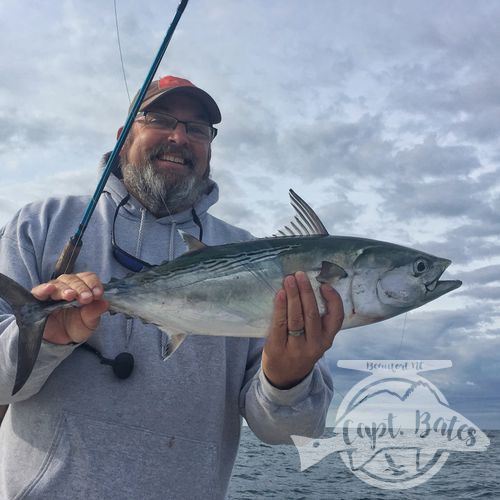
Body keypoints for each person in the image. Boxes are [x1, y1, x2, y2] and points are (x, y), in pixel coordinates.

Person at [0, 76, 344, 499]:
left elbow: (291, 433)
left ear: (210, 148)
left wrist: (288, 377)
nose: (179, 136)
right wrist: (47, 336)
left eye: (197, 129)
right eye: (159, 118)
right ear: (124, 134)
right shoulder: (42, 224)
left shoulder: (259, 259)